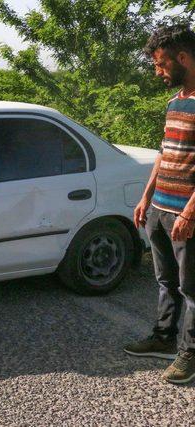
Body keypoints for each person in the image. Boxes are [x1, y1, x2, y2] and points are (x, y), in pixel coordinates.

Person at [123, 25, 195, 384]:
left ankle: (189, 355)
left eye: (162, 63)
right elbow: (164, 153)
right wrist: (146, 197)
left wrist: (189, 212)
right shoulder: (175, 101)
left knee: (192, 288)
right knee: (166, 281)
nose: (158, 71)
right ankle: (165, 338)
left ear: (183, 58)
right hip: (160, 209)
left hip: (187, 214)